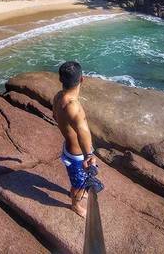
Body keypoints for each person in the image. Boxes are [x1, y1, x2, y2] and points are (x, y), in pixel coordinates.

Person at [53, 61, 97, 218]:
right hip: (77, 155)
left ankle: (78, 192)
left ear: (61, 80)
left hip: (68, 147)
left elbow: (55, 116)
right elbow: (83, 132)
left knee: (79, 182)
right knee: (78, 186)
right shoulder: (74, 106)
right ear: (82, 79)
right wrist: (89, 155)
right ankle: (75, 205)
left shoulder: (58, 97)